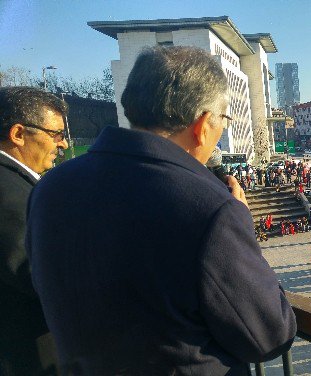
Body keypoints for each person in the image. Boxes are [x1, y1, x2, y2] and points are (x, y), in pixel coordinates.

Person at [26, 46, 296, 374]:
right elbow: (269, 336)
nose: (222, 129)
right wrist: (242, 226)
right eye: (224, 119)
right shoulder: (211, 209)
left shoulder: (50, 187)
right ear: (203, 123)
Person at [0, 87, 69, 375]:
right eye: (55, 134)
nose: (63, 144)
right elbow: (39, 274)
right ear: (18, 134)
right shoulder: (9, 193)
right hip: (27, 357)